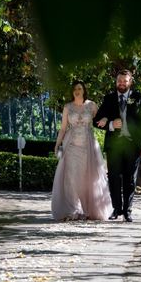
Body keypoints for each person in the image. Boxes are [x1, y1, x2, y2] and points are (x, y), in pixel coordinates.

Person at [95, 69, 141, 222]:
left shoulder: (139, 98)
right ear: (116, 82)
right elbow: (96, 120)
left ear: (130, 82)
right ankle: (116, 209)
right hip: (114, 146)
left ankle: (127, 211)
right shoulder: (109, 99)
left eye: (125, 81)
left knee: (130, 179)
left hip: (133, 146)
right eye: (119, 81)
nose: (121, 83)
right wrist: (111, 124)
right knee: (113, 178)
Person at [51, 81, 112, 221]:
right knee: (71, 177)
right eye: (74, 89)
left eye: (79, 88)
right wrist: (57, 144)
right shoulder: (68, 107)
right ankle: (72, 210)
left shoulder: (91, 105)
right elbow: (63, 128)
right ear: (72, 92)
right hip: (71, 144)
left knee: (87, 178)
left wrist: (105, 118)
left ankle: (88, 209)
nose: (77, 91)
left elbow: (100, 121)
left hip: (88, 146)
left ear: (84, 90)